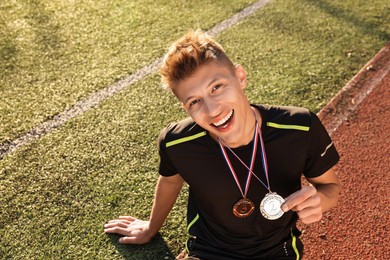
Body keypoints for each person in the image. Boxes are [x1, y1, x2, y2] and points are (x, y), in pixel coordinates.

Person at [104, 29, 341, 259]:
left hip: (277, 250)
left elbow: (329, 188)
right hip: (209, 250)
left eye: (216, 87)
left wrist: (320, 200)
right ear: (186, 109)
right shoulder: (178, 142)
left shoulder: (299, 128)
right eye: (195, 102)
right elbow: (170, 179)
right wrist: (150, 228)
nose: (213, 110)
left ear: (240, 77)